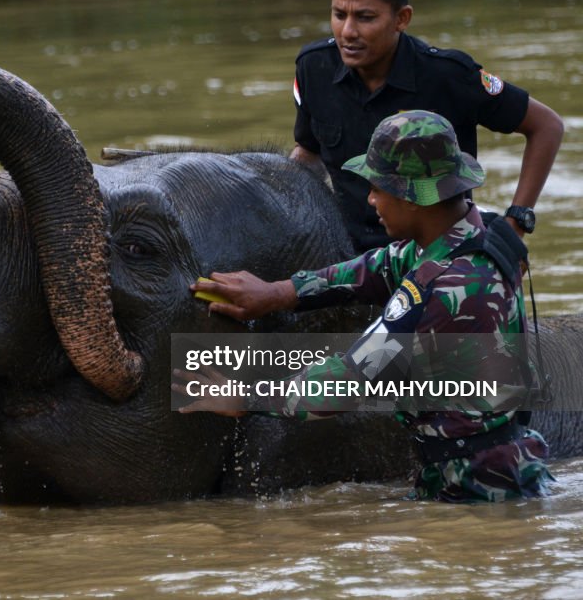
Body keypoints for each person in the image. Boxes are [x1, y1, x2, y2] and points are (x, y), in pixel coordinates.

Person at [177, 110, 553, 503]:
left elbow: (350, 379)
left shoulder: (445, 289)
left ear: (413, 197)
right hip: (506, 460)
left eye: (379, 189)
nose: (371, 200)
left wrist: (247, 400)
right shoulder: (478, 233)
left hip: (478, 489)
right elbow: (379, 266)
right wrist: (280, 292)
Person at [291, 0, 563, 253]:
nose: (348, 32)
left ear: (402, 19)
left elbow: (546, 126)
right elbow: (307, 154)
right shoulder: (313, 68)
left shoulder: (449, 76)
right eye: (339, 15)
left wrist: (516, 225)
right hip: (350, 258)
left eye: (365, 18)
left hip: (441, 256)